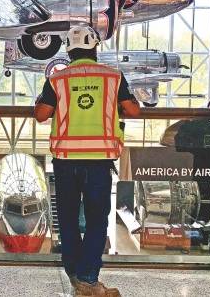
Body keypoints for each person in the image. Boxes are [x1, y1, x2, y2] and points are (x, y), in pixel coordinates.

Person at [33, 26, 140, 297]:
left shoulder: (58, 79)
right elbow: (133, 110)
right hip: (99, 160)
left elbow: (42, 114)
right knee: (96, 220)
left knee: (67, 219)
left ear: (68, 50)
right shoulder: (113, 77)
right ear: (94, 48)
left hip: (66, 160)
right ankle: (88, 278)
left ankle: (76, 276)